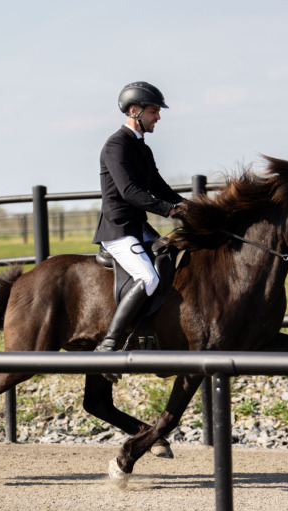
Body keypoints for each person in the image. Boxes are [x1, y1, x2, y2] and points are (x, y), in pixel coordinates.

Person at [92, 81, 185, 353]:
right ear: (135, 111)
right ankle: (110, 343)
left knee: (172, 258)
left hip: (138, 226)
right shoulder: (116, 145)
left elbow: (159, 187)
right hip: (118, 229)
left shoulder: (142, 148)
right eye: (154, 111)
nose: (158, 117)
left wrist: (190, 206)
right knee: (148, 278)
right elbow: (130, 192)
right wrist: (170, 210)